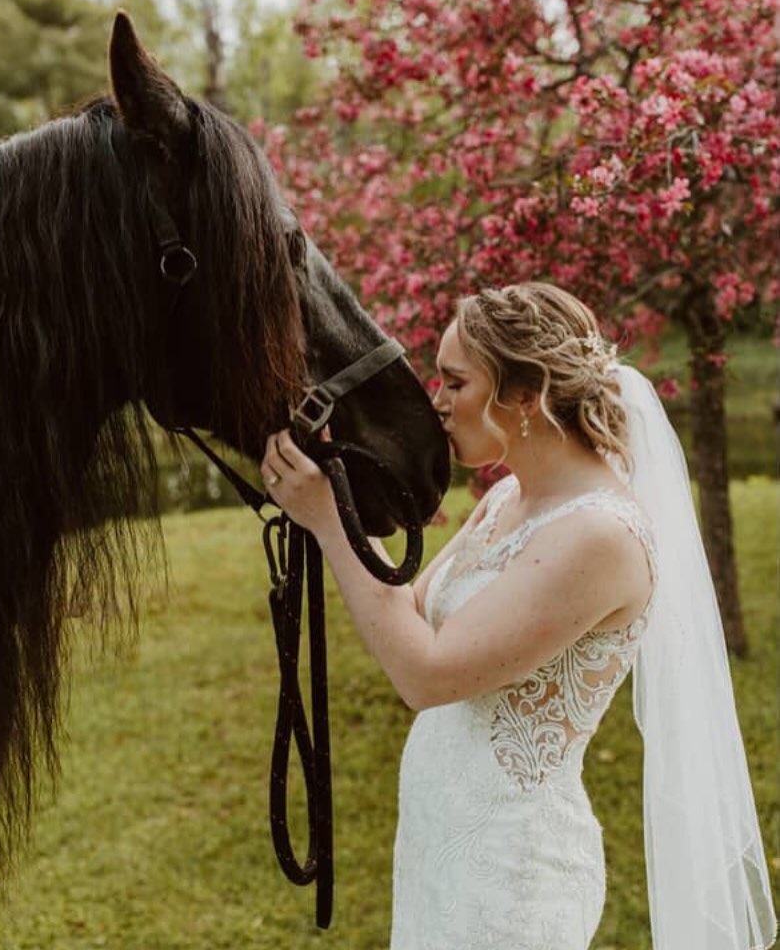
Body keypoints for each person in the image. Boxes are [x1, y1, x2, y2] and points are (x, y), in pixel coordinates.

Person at [261, 282, 777, 950]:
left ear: (525, 396)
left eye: (455, 383)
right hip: (444, 844)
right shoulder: (508, 500)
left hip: (510, 874)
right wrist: (339, 486)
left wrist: (331, 522)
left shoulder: (599, 536)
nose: (435, 403)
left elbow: (425, 673)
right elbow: (411, 615)